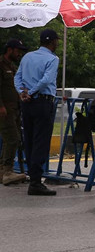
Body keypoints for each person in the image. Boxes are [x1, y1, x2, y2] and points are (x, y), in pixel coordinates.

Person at [14, 28, 60, 196]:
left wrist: (22, 93)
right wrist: (32, 92)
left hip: (27, 103)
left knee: (30, 139)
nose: (57, 43)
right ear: (52, 42)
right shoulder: (53, 59)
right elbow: (46, 79)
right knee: (41, 141)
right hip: (42, 102)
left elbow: (17, 77)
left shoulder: (27, 57)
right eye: (56, 40)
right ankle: (35, 182)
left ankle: (32, 177)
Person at [0, 39, 29, 185]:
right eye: (18, 51)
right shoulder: (0, 65)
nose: (19, 54)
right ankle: (7, 171)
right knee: (12, 139)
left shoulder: (11, 66)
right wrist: (1, 106)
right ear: (10, 49)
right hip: (5, 109)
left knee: (11, 139)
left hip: (14, 109)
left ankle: (3, 171)